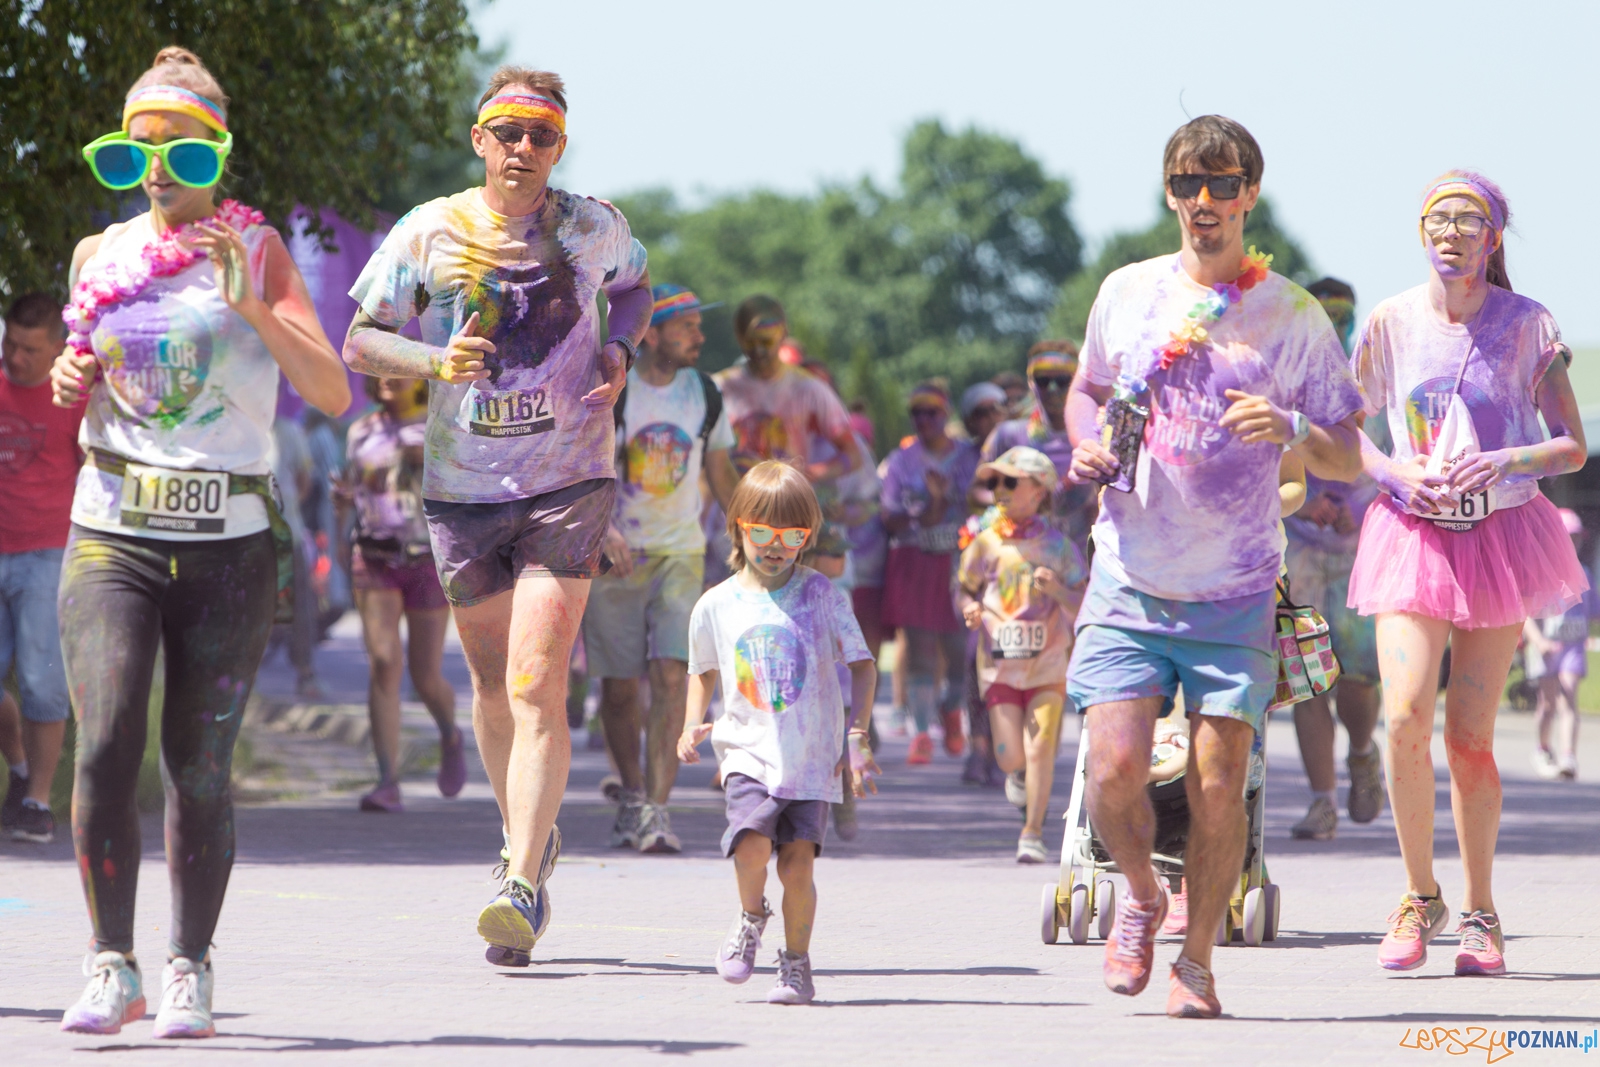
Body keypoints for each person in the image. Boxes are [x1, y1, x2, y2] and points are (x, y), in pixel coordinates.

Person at [49, 47, 351, 1037]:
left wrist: (256, 304)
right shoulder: (100, 257)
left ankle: (187, 963)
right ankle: (110, 963)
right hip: (112, 528)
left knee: (199, 762)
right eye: (139, 151)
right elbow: (86, 362)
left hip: (227, 537)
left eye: (183, 147)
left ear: (217, 148)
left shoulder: (256, 251)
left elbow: (332, 391)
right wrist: (67, 379)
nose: (161, 168)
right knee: (102, 743)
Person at [344, 64, 651, 968]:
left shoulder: (594, 225)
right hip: (463, 491)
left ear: (561, 146)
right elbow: (360, 339)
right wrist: (433, 361)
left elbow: (636, 286)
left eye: (542, 136)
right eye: (508, 132)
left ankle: (519, 879)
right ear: (479, 139)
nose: (524, 149)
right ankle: (529, 832)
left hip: (569, 482)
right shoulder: (430, 230)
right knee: (489, 689)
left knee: (535, 683)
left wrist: (623, 345)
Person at [1065, 115, 1363, 1018]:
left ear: (1250, 195)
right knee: (1112, 772)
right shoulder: (1126, 292)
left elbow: (1350, 450)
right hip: (1129, 574)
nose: (1206, 201)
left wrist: (1296, 432)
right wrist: (1084, 446)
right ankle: (1144, 898)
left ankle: (1196, 960)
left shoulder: (1294, 316)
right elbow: (1086, 391)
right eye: (1190, 184)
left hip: (1235, 591)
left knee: (1220, 779)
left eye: (1224, 183)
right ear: (1169, 194)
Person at [1348, 172, 1588, 978]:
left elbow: (1572, 447)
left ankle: (1482, 912)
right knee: (1405, 715)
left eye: (1469, 220)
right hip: (1412, 531)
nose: (1451, 232)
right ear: (1421, 233)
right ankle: (1421, 896)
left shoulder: (1529, 326)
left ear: (1494, 238)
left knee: (1470, 739)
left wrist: (1505, 459)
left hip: (1502, 536)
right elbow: (1346, 433)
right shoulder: (1389, 322)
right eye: (1437, 219)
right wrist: (1392, 474)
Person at [677, 461, 878, 1005]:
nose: (774, 546)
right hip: (745, 750)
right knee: (750, 846)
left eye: (792, 536)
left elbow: (863, 665)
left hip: (811, 759)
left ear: (807, 537)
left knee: (796, 866)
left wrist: (856, 736)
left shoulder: (824, 596)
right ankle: (748, 917)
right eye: (761, 532)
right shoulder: (716, 603)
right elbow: (703, 669)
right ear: (739, 526)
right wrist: (693, 720)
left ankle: (795, 963)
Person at [585, 284, 737, 853]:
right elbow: (586, 466)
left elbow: (721, 474)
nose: (699, 337)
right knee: (621, 687)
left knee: (675, 675)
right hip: (616, 556)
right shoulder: (616, 392)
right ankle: (631, 792)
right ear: (650, 333)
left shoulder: (705, 394)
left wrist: (753, 532)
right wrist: (606, 529)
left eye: (700, 326)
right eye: (687, 327)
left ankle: (657, 809)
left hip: (680, 552)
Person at [1283, 276, 1386, 841]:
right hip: (1300, 552)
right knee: (1306, 680)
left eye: (1341, 315)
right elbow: (1268, 463)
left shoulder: (1370, 382)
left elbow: (1389, 461)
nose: (1333, 324)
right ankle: (1321, 802)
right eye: (1322, 314)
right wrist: (1302, 509)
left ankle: (1364, 753)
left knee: (1357, 679)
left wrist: (1362, 508)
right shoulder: (1283, 380)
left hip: (1358, 551)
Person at [335, 376, 464, 812]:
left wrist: (428, 460)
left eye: (399, 370)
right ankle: (387, 779)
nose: (389, 378)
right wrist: (342, 508)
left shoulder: (438, 424)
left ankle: (449, 732)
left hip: (426, 558)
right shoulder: (361, 430)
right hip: (373, 556)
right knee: (385, 663)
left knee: (426, 676)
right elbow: (352, 491)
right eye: (381, 370)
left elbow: (462, 484)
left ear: (419, 379)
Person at [958, 447, 1085, 861]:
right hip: (999, 668)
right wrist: (969, 607)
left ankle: (1032, 832)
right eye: (994, 482)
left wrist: (1058, 591)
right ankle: (1016, 774)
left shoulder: (1060, 548)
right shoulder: (985, 543)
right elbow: (966, 587)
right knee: (1011, 753)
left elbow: (1083, 601)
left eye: (1010, 481)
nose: (1000, 490)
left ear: (1039, 490)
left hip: (1048, 663)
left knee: (1041, 746)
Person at [0, 293, 82, 844]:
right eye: (10, 344)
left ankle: (36, 802)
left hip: (49, 551)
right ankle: (19, 763)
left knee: (41, 683)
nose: (16, 357)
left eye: (30, 349)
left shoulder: (74, 398)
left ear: (58, 348)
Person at [880, 381, 980, 764]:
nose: (924, 420)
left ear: (946, 414)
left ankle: (951, 709)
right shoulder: (901, 461)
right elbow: (888, 516)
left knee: (958, 652)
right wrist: (924, 509)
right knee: (920, 653)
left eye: (932, 412)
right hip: (916, 562)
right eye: (917, 413)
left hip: (958, 565)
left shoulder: (969, 457)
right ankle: (921, 732)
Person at [983, 342, 1099, 554]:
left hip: (1084, 560)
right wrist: (1011, 501)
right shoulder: (1009, 435)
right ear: (1030, 382)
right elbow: (978, 490)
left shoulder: (1096, 433)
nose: (1052, 389)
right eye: (1043, 381)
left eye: (1062, 381)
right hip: (1023, 558)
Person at [1525, 508, 1592, 782]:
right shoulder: (1541, 572)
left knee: (1569, 699)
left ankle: (1568, 756)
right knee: (1547, 704)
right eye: (1567, 538)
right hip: (1546, 647)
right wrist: (1538, 641)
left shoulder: (1585, 571)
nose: (1573, 544)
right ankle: (1542, 748)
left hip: (1572, 647)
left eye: (1576, 538)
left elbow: (1591, 609)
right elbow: (1525, 613)